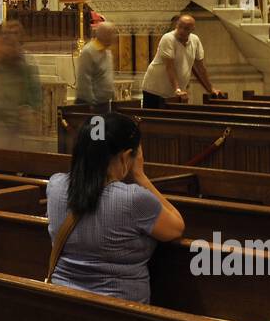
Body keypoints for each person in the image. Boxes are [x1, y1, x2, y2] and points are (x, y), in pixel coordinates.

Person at [45, 113, 185, 303]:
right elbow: (176, 227)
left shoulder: (55, 185)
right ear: (127, 156)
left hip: (63, 302)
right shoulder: (133, 199)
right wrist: (140, 175)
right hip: (120, 313)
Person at [140, 14, 224, 107]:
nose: (182, 30)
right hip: (155, 89)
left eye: (186, 28)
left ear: (192, 29)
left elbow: (200, 68)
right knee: (153, 119)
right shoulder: (168, 38)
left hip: (174, 92)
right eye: (180, 26)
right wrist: (177, 89)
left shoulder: (195, 40)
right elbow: (170, 67)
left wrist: (211, 89)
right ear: (177, 25)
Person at [75, 21, 118, 108]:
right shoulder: (88, 52)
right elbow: (84, 79)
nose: (114, 37)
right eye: (112, 33)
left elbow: (107, 76)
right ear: (104, 35)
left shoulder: (107, 52)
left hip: (104, 103)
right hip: (90, 104)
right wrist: (91, 103)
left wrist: (113, 95)